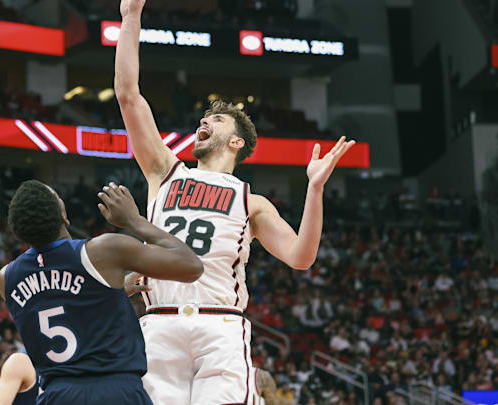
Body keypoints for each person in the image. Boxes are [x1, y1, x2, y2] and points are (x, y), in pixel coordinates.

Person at [114, 0, 356, 402]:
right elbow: (128, 95)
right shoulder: (164, 171)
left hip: (219, 325)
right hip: (158, 323)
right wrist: (131, 17)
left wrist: (314, 190)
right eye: (203, 119)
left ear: (236, 141)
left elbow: (301, 256)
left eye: (216, 120)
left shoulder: (252, 202)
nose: (203, 122)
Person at [0, 180, 203, 404]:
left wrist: (110, 291)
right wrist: (133, 221)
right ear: (63, 216)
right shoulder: (102, 251)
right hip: (114, 390)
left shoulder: (6, 278)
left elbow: (55, 302)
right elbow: (191, 266)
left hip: (57, 395)